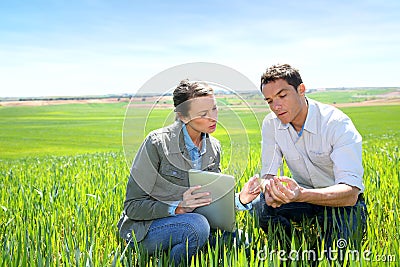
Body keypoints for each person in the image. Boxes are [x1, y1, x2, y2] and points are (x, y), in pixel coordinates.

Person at [118, 79, 260, 266]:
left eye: (214, 109)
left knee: (241, 240)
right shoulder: (157, 143)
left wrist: (240, 199)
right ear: (183, 117)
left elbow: (211, 200)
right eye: (203, 113)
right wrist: (177, 208)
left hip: (192, 223)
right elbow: (133, 206)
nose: (213, 118)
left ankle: (185, 251)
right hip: (148, 229)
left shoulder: (214, 147)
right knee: (196, 226)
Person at [257, 64, 367, 255]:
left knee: (337, 255)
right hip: (302, 198)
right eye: (269, 101)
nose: (276, 106)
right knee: (261, 206)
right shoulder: (271, 124)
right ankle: (293, 251)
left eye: (282, 96)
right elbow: (268, 172)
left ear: (301, 90)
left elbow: (350, 193)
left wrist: (301, 194)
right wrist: (268, 188)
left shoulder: (336, 124)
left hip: (340, 201)